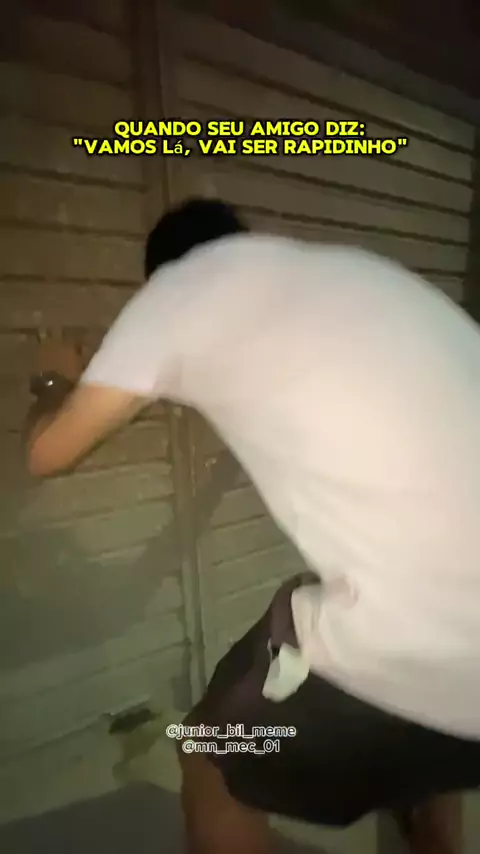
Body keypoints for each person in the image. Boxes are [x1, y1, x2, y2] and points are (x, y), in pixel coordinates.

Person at [25, 197, 480, 854]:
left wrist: (53, 379)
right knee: (425, 734)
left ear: (164, 274)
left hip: (423, 649)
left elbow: (48, 454)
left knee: (211, 756)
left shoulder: (178, 293)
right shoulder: (350, 276)